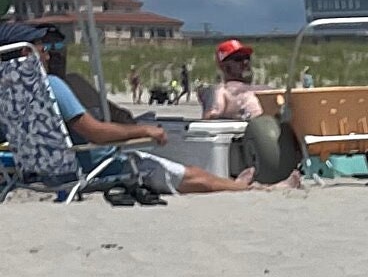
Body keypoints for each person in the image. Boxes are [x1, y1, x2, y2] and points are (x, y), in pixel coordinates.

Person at [39, 50, 268, 194]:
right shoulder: (52, 85)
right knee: (191, 174)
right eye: (42, 48)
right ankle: (241, 187)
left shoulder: (9, 95)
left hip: (47, 172)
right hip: (97, 168)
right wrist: (144, 130)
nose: (49, 54)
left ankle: (240, 184)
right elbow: (96, 133)